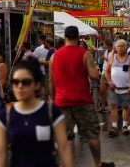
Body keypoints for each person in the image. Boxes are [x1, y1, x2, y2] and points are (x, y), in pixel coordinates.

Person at [49, 26, 114, 167]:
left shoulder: (54, 56)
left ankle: (62, 164)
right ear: (78, 38)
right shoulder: (85, 54)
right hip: (82, 100)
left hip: (61, 101)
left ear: (64, 38)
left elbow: (51, 81)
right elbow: (94, 75)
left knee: (62, 137)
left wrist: (54, 100)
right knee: (92, 134)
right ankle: (98, 164)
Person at [0, 59, 73, 167]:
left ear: (37, 84)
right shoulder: (5, 116)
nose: (20, 86)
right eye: (15, 82)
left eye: (26, 82)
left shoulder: (51, 112)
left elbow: (64, 149)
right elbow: (0, 154)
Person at [105, 39, 130, 137]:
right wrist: (109, 82)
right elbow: (107, 71)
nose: (120, 48)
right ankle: (114, 127)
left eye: (122, 46)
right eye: (118, 46)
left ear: (125, 47)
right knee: (113, 106)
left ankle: (124, 126)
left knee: (125, 107)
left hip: (126, 87)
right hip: (114, 87)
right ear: (115, 48)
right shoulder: (112, 57)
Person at [97, 39, 114, 113]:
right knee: (102, 90)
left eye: (104, 44)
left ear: (108, 45)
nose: (103, 46)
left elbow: (111, 61)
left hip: (111, 72)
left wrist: (104, 57)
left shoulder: (114, 52)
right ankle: (103, 105)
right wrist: (101, 55)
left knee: (112, 91)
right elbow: (103, 59)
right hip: (104, 71)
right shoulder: (106, 51)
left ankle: (112, 107)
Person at [32, 34, 48, 99]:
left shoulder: (39, 48)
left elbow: (32, 57)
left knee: (42, 85)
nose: (38, 40)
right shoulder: (49, 47)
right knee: (46, 85)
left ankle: (43, 99)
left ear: (40, 39)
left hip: (42, 70)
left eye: (38, 39)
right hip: (48, 69)